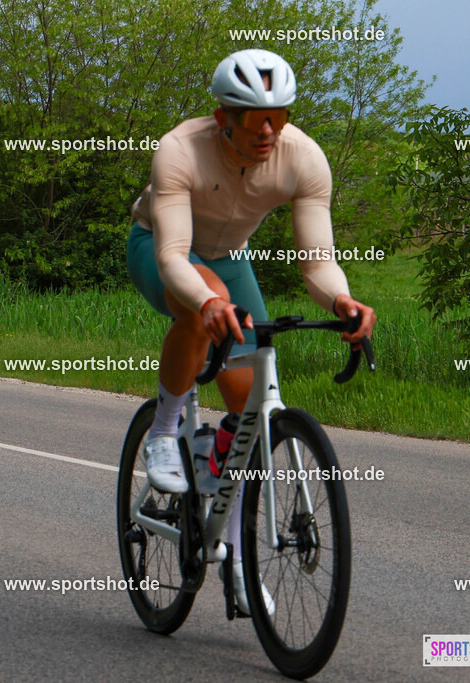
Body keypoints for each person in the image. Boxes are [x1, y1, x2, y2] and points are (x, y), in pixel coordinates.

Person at [127, 49, 376, 613]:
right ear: (224, 118)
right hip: (159, 249)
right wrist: (208, 299)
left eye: (280, 115)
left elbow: (316, 262)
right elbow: (173, 257)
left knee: (251, 417)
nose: (269, 129)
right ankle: (166, 431)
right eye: (254, 117)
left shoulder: (305, 159)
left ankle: (236, 555)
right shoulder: (179, 149)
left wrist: (341, 299)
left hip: (230, 259)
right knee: (199, 305)